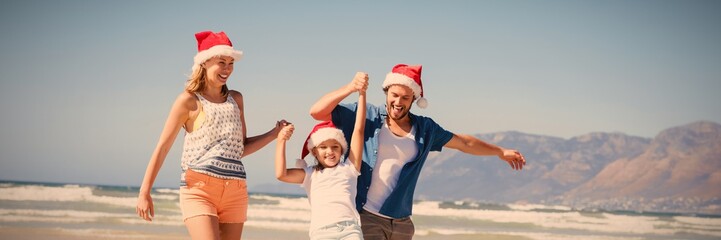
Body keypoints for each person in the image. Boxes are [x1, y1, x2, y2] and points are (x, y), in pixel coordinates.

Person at [309, 64, 526, 240]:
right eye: (394, 95)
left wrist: (499, 151)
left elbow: (464, 143)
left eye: (405, 98)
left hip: (402, 222)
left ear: (414, 99)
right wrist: (350, 87)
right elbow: (317, 112)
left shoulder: (425, 129)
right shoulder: (367, 115)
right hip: (366, 216)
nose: (398, 102)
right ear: (386, 92)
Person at [135, 30, 286, 240]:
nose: (227, 69)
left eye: (231, 63)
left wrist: (274, 133)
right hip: (199, 190)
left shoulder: (236, 100)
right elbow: (163, 147)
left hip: (235, 190)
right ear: (204, 62)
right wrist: (144, 192)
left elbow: (239, 148)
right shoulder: (188, 101)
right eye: (221, 62)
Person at [274, 72, 368, 240]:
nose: (329, 151)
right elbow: (281, 174)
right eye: (323, 147)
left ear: (342, 149)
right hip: (321, 233)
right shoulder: (310, 174)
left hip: (350, 230)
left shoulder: (350, 168)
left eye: (334, 147)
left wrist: (362, 93)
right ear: (314, 152)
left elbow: (359, 130)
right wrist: (281, 141)